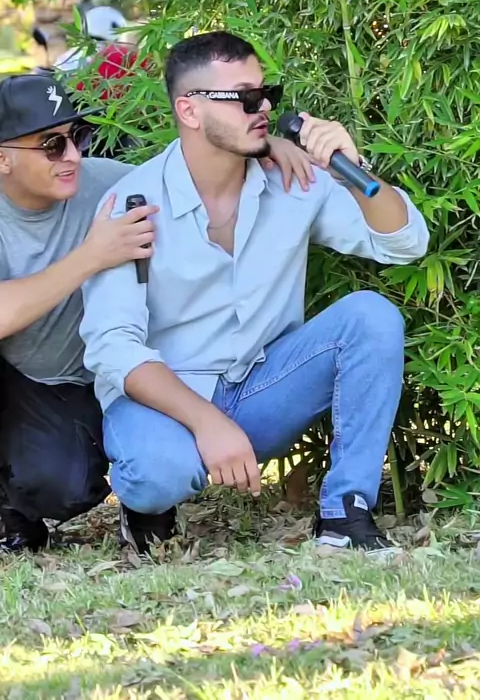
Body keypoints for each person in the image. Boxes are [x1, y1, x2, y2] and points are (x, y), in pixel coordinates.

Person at [80, 31, 430, 558]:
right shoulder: (133, 203)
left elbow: (404, 244)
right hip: (167, 401)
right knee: (156, 474)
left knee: (372, 317)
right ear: (189, 109)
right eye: (244, 98)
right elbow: (113, 347)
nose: (263, 107)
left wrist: (352, 167)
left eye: (267, 93)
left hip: (263, 388)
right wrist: (206, 421)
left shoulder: (293, 178)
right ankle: (149, 505)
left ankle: (345, 513)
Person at [0, 72, 313, 553]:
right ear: (3, 157)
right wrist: (92, 255)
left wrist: (264, 147)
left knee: (105, 459)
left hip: (113, 371)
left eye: (78, 136)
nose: (73, 156)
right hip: (22, 381)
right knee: (58, 486)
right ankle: (10, 506)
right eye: (51, 146)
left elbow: (192, 170)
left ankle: (144, 498)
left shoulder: (111, 183)